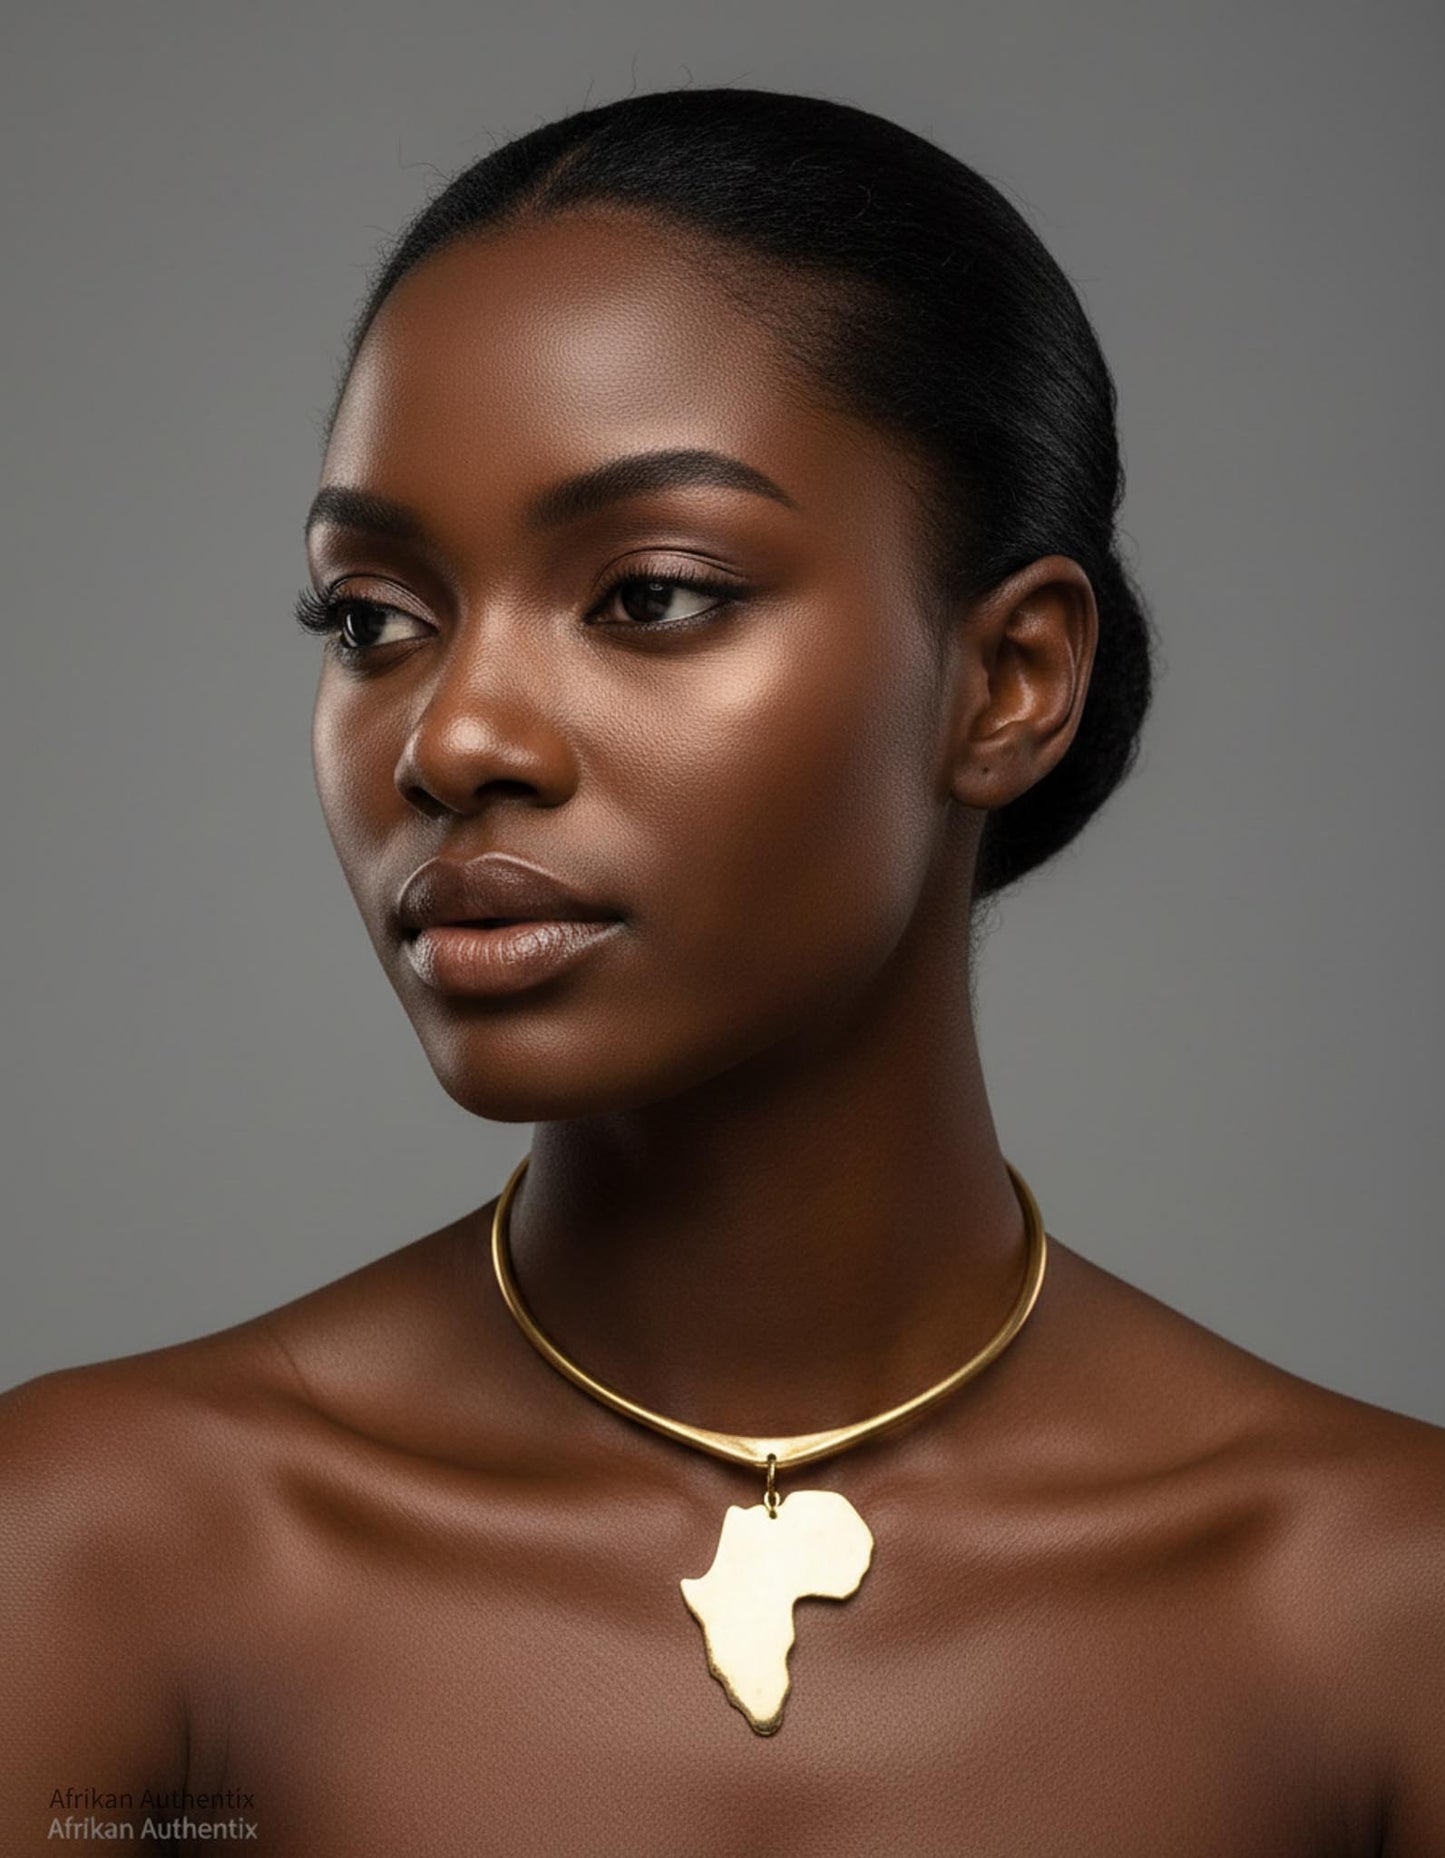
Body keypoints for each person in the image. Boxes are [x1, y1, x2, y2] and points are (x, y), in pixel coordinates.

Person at [2, 84, 1441, 1856]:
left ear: (1005, 682)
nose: (452, 737)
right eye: (374, 617)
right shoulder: (106, 1554)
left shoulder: (1380, 1611)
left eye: (652, 594)